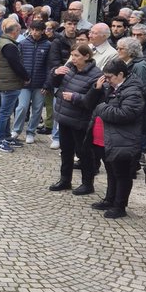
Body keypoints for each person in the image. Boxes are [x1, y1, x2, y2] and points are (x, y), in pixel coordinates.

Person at [87, 59, 146, 218]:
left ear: (121, 74)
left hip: (125, 139)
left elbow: (126, 114)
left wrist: (102, 108)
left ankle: (120, 206)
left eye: (109, 77)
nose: (107, 80)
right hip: (111, 138)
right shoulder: (112, 87)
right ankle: (109, 199)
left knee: (122, 174)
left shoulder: (133, 91)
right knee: (111, 171)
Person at [49, 44, 101, 193]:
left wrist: (75, 97)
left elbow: (93, 100)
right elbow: (54, 83)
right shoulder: (70, 68)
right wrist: (55, 73)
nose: (73, 59)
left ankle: (87, 183)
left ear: (86, 56)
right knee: (66, 150)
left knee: (83, 153)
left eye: (77, 56)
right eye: (72, 55)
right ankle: (65, 180)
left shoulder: (95, 75)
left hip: (80, 120)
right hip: (64, 116)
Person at [0, 18, 30, 154]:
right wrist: (26, 77)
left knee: (6, 112)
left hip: (5, 81)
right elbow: (16, 65)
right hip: (9, 82)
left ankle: (7, 137)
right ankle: (0, 139)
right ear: (15, 31)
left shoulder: (3, 41)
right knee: (5, 113)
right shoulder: (9, 45)